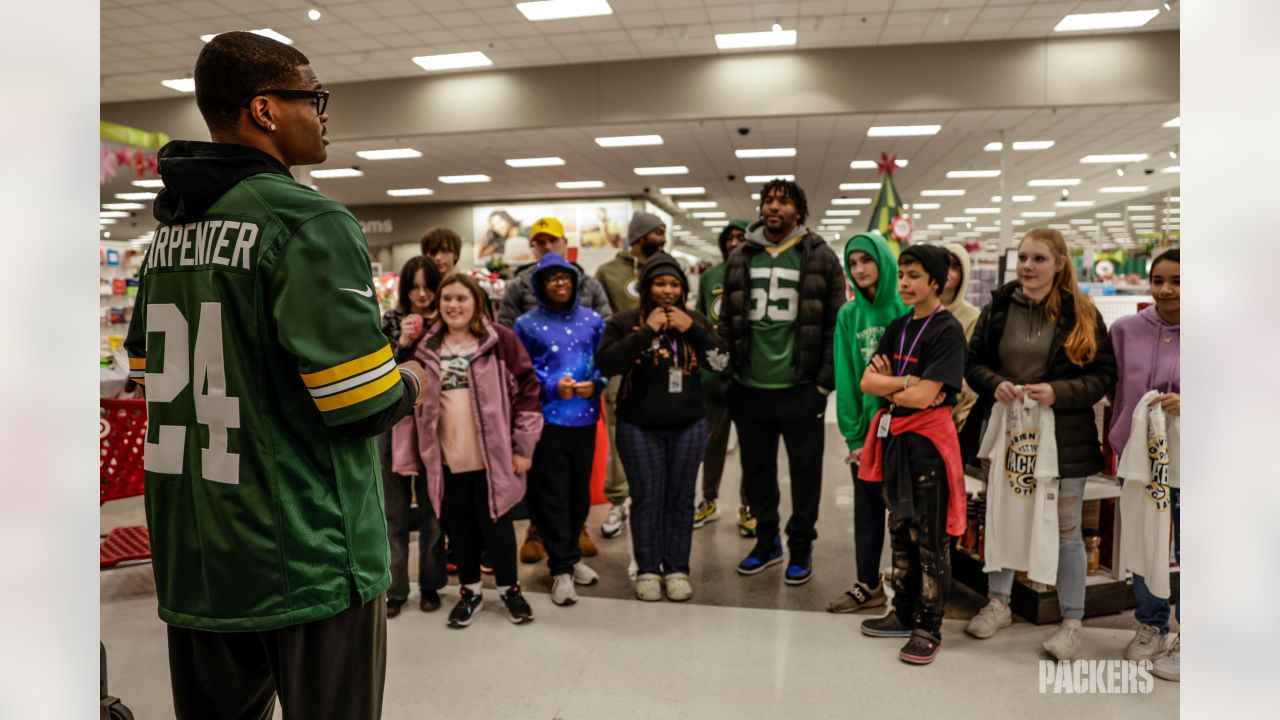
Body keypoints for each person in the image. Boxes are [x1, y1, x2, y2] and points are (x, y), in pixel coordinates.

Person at [123, 31, 428, 719]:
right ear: (264, 110)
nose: (322, 114)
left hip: (197, 551)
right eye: (312, 98)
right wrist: (414, 381)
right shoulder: (308, 220)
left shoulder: (167, 236)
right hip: (307, 551)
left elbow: (147, 371)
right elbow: (359, 402)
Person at [962, 228, 1117, 662]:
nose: (1028, 267)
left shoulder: (1082, 313)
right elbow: (973, 364)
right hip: (1009, 431)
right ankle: (999, 603)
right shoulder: (997, 309)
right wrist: (996, 385)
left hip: (1063, 439)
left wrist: (1057, 392)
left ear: (1060, 263)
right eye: (1023, 258)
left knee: (1067, 532)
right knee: (1004, 516)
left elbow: (1104, 375)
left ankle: (1071, 623)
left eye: (1038, 259)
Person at [718, 180, 846, 585]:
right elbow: (727, 320)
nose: (774, 207)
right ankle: (767, 542)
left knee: (805, 475)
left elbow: (834, 324)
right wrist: (728, 374)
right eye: (768, 201)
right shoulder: (740, 255)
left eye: (784, 201)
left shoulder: (820, 256)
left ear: (799, 210)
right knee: (756, 473)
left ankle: (802, 547)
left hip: (800, 387)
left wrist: (823, 384)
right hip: (749, 386)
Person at [406, 273, 543, 628]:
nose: (453, 305)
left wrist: (522, 446)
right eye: (447, 299)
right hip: (447, 462)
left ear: (476, 303)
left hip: (492, 462)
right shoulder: (425, 348)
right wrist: (408, 457)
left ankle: (511, 590)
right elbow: (407, 404)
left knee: (496, 529)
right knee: (459, 529)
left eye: (461, 299)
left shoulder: (502, 342)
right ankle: (470, 593)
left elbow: (528, 391)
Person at [855, 245, 968, 666]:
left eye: (914, 275)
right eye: (901, 274)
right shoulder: (898, 326)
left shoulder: (947, 331)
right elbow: (868, 382)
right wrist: (905, 382)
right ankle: (902, 611)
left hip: (928, 445)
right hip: (895, 439)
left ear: (936, 282)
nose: (904, 282)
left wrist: (893, 382)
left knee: (930, 537)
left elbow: (925, 398)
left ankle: (929, 624)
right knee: (900, 528)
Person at [596, 253, 730, 601]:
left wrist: (694, 330)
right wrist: (647, 331)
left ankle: (676, 568)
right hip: (638, 425)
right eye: (660, 283)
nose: (668, 290)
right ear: (646, 288)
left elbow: (722, 362)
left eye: (674, 284)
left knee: (681, 498)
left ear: (683, 289)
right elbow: (607, 363)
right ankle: (646, 568)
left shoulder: (693, 319)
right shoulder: (626, 322)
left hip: (689, 425)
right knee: (646, 498)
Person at [497, 216, 610, 563]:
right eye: (539, 242)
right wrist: (544, 384)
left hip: (582, 409)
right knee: (545, 481)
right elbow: (509, 346)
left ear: (564, 243)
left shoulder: (589, 289)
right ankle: (541, 533)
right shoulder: (519, 291)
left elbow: (605, 342)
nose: (546, 247)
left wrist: (598, 381)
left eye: (552, 241)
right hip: (540, 406)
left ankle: (575, 533)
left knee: (578, 480)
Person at [514, 252, 607, 606]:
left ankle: (571, 557)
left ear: (574, 281)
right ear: (540, 284)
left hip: (584, 419)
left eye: (564, 277)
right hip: (546, 422)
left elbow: (603, 362)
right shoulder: (526, 324)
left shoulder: (593, 320)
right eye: (551, 278)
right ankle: (562, 568)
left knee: (578, 494)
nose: (559, 283)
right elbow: (520, 374)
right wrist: (553, 387)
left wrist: (595, 384)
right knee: (551, 495)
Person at [826, 231, 907, 614]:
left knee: (908, 512)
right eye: (852, 263)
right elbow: (845, 376)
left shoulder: (905, 308)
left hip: (908, 426)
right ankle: (867, 584)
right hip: (868, 433)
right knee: (868, 509)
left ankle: (909, 588)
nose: (859, 269)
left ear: (883, 262)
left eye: (866, 260)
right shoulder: (848, 314)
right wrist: (854, 435)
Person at [1110, 249, 1180, 681]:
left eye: (1177, 280)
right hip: (1139, 458)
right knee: (1142, 536)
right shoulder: (1124, 330)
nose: (1166, 289)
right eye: (1158, 279)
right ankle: (1151, 624)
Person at [593, 211, 668, 539]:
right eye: (658, 231)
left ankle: (656, 500)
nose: (663, 237)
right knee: (618, 437)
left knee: (663, 434)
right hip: (623, 369)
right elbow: (603, 322)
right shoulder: (607, 273)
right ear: (640, 236)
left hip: (663, 368)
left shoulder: (666, 266)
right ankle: (619, 501)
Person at [380, 257, 446, 617]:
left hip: (435, 427)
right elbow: (374, 373)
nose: (422, 294)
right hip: (393, 425)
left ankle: (432, 585)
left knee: (434, 508)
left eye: (428, 285)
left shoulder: (447, 320)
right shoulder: (390, 320)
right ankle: (396, 588)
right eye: (414, 286)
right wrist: (401, 342)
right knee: (395, 511)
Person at [692, 220, 755, 535]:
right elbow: (702, 324)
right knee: (712, 443)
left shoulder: (757, 273)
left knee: (751, 445)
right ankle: (708, 500)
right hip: (714, 378)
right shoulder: (710, 277)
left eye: (740, 237)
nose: (734, 242)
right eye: (729, 237)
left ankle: (749, 505)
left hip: (749, 377)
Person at [942, 243, 981, 432]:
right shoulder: (917, 312)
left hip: (956, 414)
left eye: (955, 267)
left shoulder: (972, 316)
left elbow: (969, 367)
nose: (947, 272)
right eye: (944, 264)